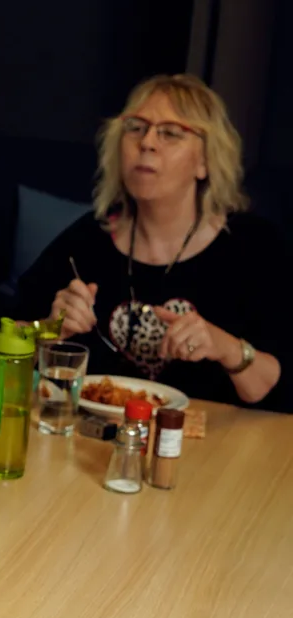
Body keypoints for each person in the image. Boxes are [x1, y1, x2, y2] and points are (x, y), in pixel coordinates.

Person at [15, 74, 289, 411]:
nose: (146, 143)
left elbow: (272, 386)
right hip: (96, 441)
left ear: (205, 161)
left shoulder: (254, 247)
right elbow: (7, 343)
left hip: (215, 447)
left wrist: (227, 348)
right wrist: (48, 331)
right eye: (136, 127)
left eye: (170, 133)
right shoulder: (86, 240)